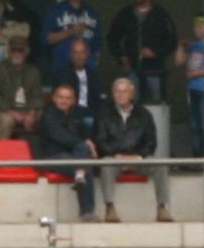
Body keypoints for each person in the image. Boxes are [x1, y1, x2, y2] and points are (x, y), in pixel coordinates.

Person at [95, 75, 170, 222]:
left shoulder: (144, 114)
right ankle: (110, 208)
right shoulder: (103, 114)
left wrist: (138, 157)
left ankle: (162, 208)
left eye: (124, 91)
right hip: (114, 159)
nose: (120, 94)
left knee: (160, 165)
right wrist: (118, 156)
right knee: (106, 165)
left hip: (138, 159)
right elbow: (101, 141)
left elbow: (151, 142)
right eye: (117, 91)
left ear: (131, 94)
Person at [106, 0, 180, 104]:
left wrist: (155, 52)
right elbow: (112, 38)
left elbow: (172, 40)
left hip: (154, 70)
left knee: (155, 105)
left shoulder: (161, 15)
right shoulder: (126, 14)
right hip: (131, 69)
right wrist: (121, 56)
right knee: (131, 104)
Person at [35, 82, 100, 222]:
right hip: (51, 157)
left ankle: (79, 174)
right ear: (54, 98)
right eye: (60, 97)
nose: (64, 101)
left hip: (73, 156)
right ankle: (87, 212)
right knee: (84, 165)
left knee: (83, 163)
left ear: (73, 100)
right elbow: (60, 137)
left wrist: (87, 143)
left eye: (68, 98)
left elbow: (86, 135)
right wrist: (85, 144)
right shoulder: (48, 115)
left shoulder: (76, 115)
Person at [0, 35, 48, 141]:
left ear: (26, 52)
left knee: (46, 117)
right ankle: (0, 155)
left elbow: (37, 97)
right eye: (14, 50)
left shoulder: (33, 72)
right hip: (2, 112)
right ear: (9, 51)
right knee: (7, 120)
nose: (17, 53)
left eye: (21, 50)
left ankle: (45, 154)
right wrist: (13, 113)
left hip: (27, 111)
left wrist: (31, 114)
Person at [43, 0, 101, 82]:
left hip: (87, 69)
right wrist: (72, 31)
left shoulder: (92, 13)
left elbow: (97, 44)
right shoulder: (55, 11)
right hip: (62, 68)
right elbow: (47, 39)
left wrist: (94, 63)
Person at [181, 15, 204, 157]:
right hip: (192, 89)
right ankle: (197, 156)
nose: (197, 30)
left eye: (201, 26)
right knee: (195, 125)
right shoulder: (193, 46)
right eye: (195, 26)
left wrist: (197, 73)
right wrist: (181, 46)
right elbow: (178, 61)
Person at [63, 37, 100, 115]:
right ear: (71, 54)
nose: (79, 56)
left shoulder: (93, 74)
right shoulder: (63, 74)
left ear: (87, 54)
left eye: (82, 52)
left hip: (91, 113)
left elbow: (97, 99)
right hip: (70, 114)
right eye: (76, 52)